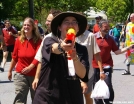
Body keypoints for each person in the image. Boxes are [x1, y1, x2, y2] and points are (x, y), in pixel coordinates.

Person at [32, 12, 89, 104]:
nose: (71, 24)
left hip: (72, 97)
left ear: (77, 28)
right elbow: (54, 48)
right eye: (66, 22)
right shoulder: (49, 40)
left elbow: (82, 74)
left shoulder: (82, 49)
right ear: (59, 27)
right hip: (48, 97)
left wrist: (75, 58)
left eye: (74, 22)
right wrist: (62, 47)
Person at [93, 19, 134, 104]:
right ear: (100, 28)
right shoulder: (93, 37)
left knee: (108, 84)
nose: (107, 29)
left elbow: (117, 52)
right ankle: (98, 102)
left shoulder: (110, 39)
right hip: (94, 65)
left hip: (107, 64)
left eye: (108, 27)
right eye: (105, 27)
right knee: (96, 85)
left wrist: (128, 47)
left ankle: (109, 101)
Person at [7, 17, 42, 104]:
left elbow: (39, 57)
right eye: (24, 25)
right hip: (20, 73)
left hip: (34, 75)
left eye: (28, 25)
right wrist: (10, 70)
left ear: (33, 27)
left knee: (36, 98)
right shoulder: (19, 40)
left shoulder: (38, 40)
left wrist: (30, 67)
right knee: (20, 97)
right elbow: (15, 57)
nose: (26, 27)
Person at [76, 24, 105, 104]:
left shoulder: (90, 36)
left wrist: (101, 71)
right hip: (72, 73)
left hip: (87, 73)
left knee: (88, 96)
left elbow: (97, 54)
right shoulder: (69, 35)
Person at [32, 9, 61, 89]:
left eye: (49, 21)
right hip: (49, 80)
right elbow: (41, 59)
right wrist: (37, 78)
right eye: (46, 20)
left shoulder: (69, 37)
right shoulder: (47, 38)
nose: (46, 23)